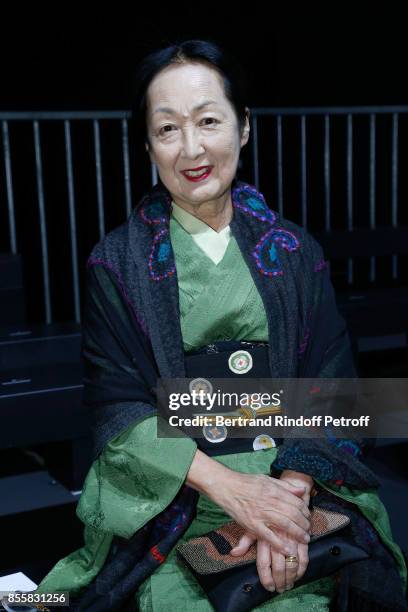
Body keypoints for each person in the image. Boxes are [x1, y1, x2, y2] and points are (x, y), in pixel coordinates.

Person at [34, 39, 407, 612]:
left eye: (209, 121)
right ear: (148, 145)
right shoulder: (116, 263)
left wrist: (286, 499)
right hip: (180, 489)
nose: (192, 148)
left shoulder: (296, 252)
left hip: (292, 476)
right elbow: (118, 406)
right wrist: (232, 490)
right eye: (167, 129)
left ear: (244, 127)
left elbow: (337, 384)